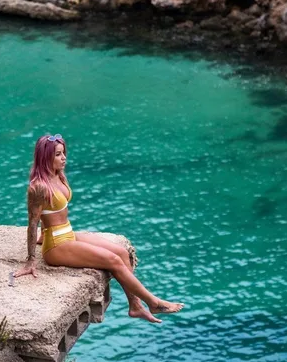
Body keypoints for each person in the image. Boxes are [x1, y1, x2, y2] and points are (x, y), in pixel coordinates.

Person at [14, 134, 184, 324]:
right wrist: (31, 260)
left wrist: (43, 234)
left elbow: (50, 212)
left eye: (64, 153)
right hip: (56, 246)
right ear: (45, 157)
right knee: (113, 260)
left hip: (67, 234)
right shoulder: (38, 187)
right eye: (58, 155)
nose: (64, 158)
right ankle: (154, 303)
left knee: (121, 253)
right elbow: (33, 223)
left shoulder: (58, 175)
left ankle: (135, 306)